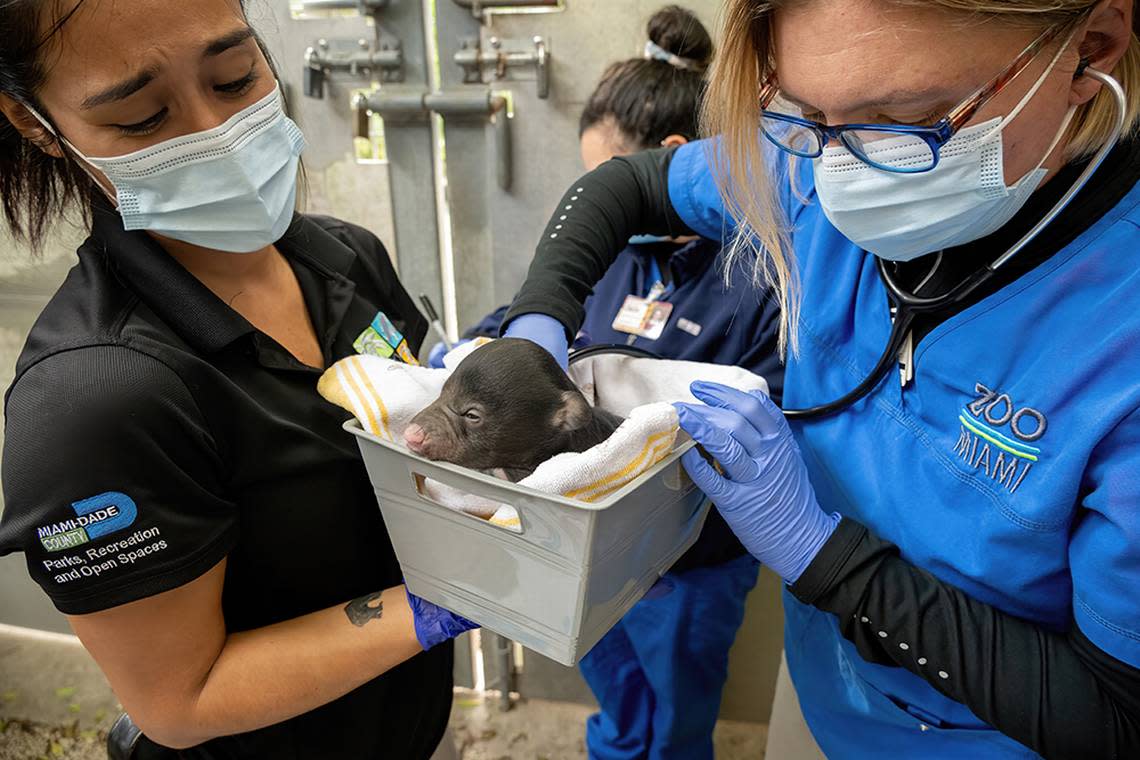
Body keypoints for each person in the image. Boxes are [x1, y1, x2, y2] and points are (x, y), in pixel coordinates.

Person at [500, 0, 1140, 757]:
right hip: (820, 687)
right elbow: (622, 188)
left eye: (908, 119)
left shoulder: (1116, 338)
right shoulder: (809, 161)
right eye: (805, 114)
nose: (842, 174)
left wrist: (820, 556)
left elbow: (1115, 718)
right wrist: (535, 327)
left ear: (1089, 49)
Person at [0, 1, 475, 757]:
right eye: (141, 117)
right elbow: (180, 701)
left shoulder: (343, 258)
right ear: (34, 122)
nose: (214, 132)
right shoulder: (94, 401)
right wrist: (438, 608)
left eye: (234, 75)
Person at [439, 8, 781, 758]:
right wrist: (471, 349)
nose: (596, 204)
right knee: (616, 693)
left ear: (669, 163)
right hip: (580, 541)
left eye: (609, 181)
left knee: (678, 711)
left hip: (691, 562)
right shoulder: (616, 255)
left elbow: (766, 422)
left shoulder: (758, 276)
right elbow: (535, 321)